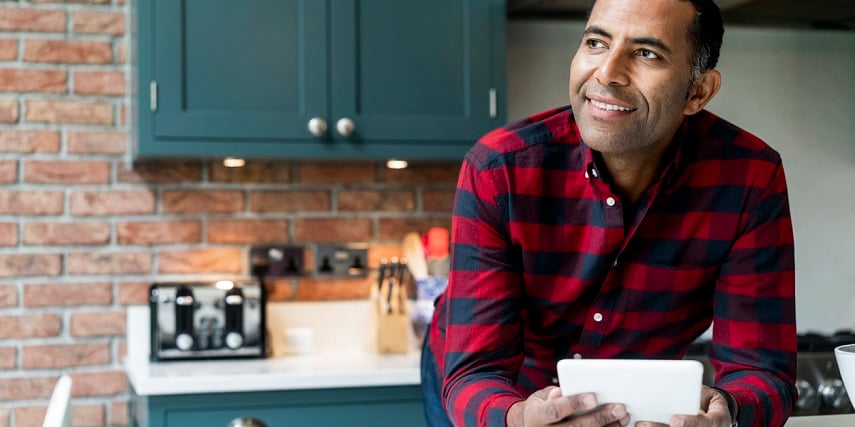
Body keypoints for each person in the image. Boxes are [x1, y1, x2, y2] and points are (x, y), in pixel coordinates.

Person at [420, 0, 797, 426]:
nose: (607, 73)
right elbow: (476, 371)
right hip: (505, 397)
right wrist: (520, 418)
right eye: (597, 42)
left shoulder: (750, 178)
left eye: (646, 53)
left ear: (698, 92)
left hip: (636, 405)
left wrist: (728, 412)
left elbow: (763, 371)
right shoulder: (498, 170)